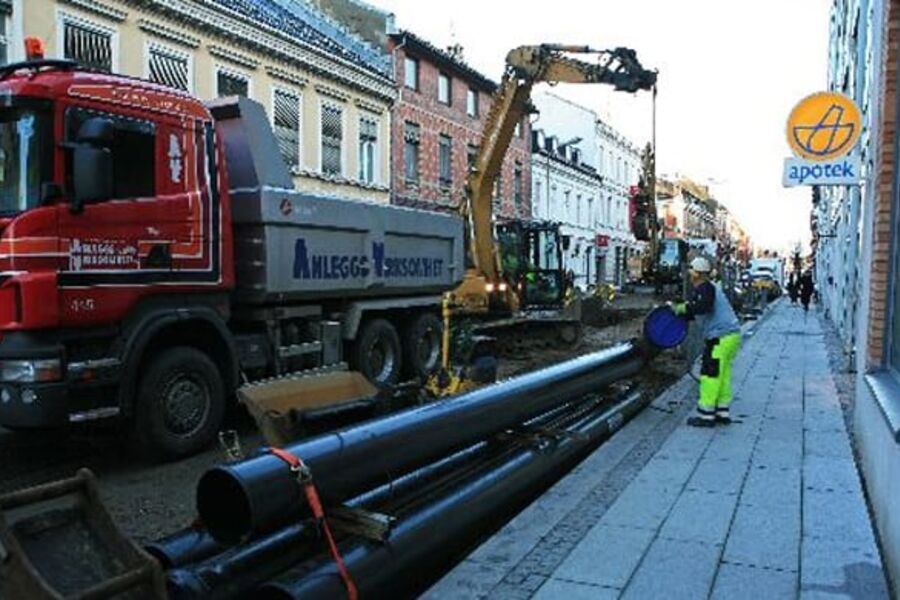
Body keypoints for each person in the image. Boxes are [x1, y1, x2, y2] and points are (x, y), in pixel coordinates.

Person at [673, 257, 742, 427]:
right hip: (731, 336)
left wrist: (683, 308)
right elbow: (697, 310)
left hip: (720, 337)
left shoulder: (705, 288)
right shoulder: (709, 288)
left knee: (710, 375)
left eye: (691, 272)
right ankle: (722, 411)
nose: (689, 275)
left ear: (696, 273)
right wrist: (683, 310)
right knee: (723, 375)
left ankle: (706, 415)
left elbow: (703, 307)